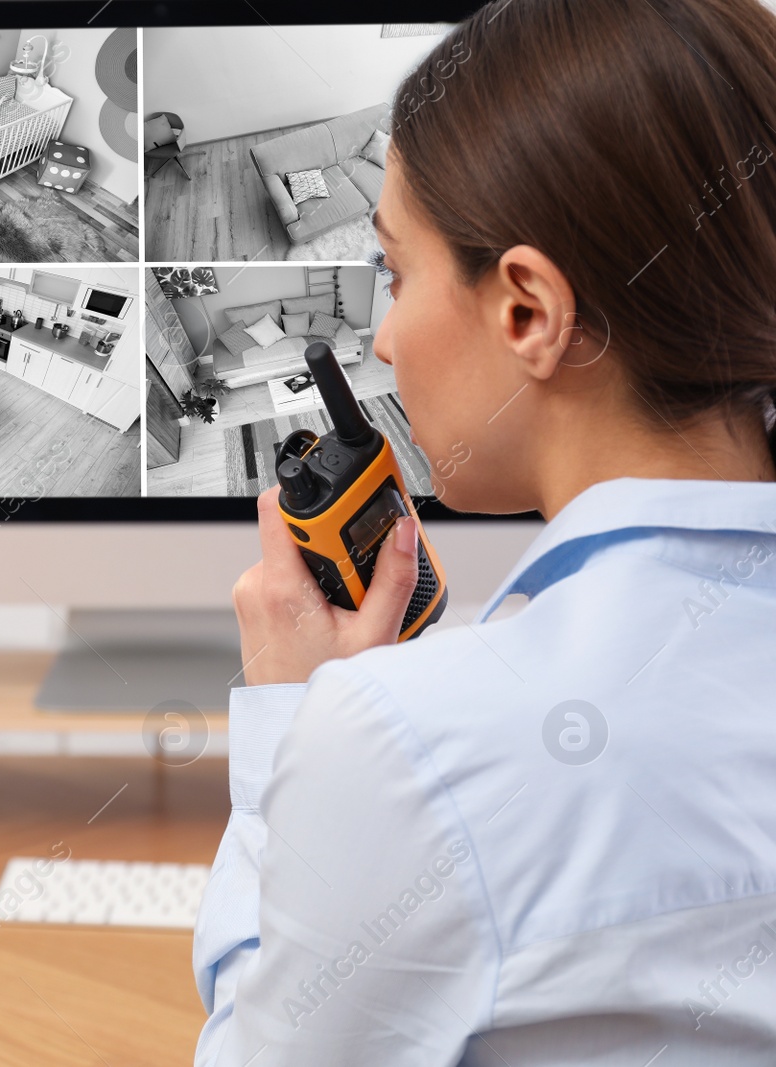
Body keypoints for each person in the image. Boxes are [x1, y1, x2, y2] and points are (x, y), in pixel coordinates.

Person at [194, 0, 776, 1063]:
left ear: (525, 312)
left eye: (397, 272)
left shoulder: (411, 742)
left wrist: (292, 710)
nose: (379, 334)